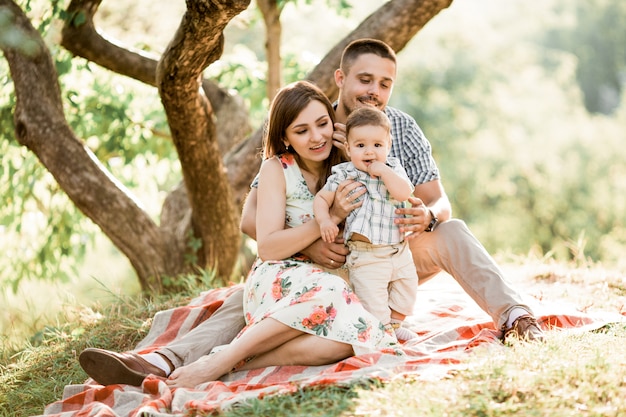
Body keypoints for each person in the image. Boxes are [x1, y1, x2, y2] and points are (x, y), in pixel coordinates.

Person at [78, 38, 543, 388]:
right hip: (319, 260)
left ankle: (515, 317)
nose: (375, 92)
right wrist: (313, 242)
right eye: (365, 79)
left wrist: (430, 218)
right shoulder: (311, 123)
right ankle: (162, 363)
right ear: (340, 79)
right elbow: (251, 221)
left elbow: (438, 199)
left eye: (385, 83)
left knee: (454, 229)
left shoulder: (398, 127)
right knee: (263, 290)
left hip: (387, 252)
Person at [80, 81, 400, 389]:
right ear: (286, 137)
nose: (316, 137)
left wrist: (357, 152)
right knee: (330, 291)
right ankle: (215, 362)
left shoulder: (353, 160)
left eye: (322, 124)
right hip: (284, 276)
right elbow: (267, 244)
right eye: (302, 131)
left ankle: (235, 363)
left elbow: (394, 201)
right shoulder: (278, 169)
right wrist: (328, 221)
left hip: (334, 280)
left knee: (351, 337)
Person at [313, 106, 418, 341]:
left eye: (377, 145)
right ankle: (382, 333)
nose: (369, 152)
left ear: (388, 145)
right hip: (366, 254)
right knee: (373, 299)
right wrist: (324, 221)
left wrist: (384, 171)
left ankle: (395, 323)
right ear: (348, 149)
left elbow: (403, 193)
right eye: (361, 146)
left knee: (407, 289)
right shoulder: (344, 173)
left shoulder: (393, 168)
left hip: (399, 250)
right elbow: (322, 198)